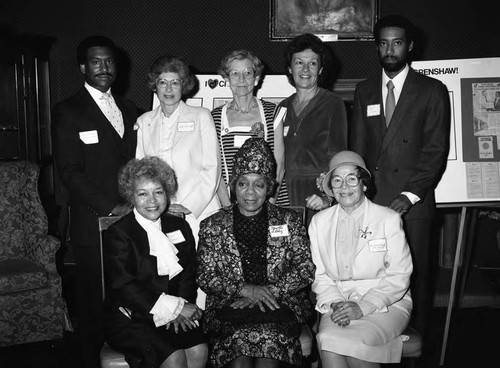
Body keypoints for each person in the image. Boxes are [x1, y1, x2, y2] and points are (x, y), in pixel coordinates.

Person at [349, 15, 450, 340]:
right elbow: (358, 149)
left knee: (415, 277)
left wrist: (409, 196)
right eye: (383, 43)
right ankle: (375, 340)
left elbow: (435, 152)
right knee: (375, 276)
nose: (389, 49)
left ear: (409, 46)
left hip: (413, 205)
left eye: (396, 42)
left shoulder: (432, 90)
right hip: (374, 203)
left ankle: (415, 349)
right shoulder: (364, 91)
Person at [52, 35, 138, 368]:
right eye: (96, 62)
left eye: (109, 61)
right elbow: (69, 171)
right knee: (93, 299)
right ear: (83, 67)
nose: (104, 67)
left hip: (133, 220)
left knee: (128, 291)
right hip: (93, 221)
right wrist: (110, 206)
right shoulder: (68, 110)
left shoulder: (130, 109)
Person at [196, 138, 315, 368]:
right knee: (238, 359)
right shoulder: (213, 224)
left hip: (280, 304)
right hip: (228, 306)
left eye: (258, 184)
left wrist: (267, 292)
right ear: (233, 185)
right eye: (243, 184)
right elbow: (205, 275)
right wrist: (245, 290)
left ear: (268, 187)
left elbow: (305, 269)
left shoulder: (289, 220)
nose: (250, 192)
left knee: (268, 359)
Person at [309, 150, 413, 368]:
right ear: (331, 188)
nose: (344, 187)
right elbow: (319, 274)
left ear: (363, 184)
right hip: (337, 300)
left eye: (351, 179)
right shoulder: (319, 222)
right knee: (329, 340)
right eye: (337, 181)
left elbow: (400, 275)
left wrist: (363, 306)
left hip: (387, 301)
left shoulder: (388, 219)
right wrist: (337, 303)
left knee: (349, 345)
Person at [102, 156, 207, 368]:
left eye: (158, 192)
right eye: (143, 194)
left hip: (174, 311)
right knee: (173, 356)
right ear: (131, 197)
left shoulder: (179, 226)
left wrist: (182, 306)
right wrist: (173, 308)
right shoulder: (119, 233)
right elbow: (124, 286)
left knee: (198, 350)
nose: (152, 201)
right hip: (132, 316)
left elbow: (188, 275)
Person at [135, 55, 221, 246]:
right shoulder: (144, 121)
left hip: (199, 211)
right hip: (158, 211)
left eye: (174, 82)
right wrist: (154, 206)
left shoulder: (201, 116)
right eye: (162, 82)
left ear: (183, 85)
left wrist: (187, 206)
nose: (168, 89)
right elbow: (140, 173)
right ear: (154, 85)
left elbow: (212, 168)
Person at [278, 33, 348, 223]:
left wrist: (327, 196)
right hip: (283, 196)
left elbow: (338, 157)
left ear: (321, 69)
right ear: (290, 68)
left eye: (313, 63)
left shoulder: (333, 103)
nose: (305, 69)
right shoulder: (281, 108)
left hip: (316, 195)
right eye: (299, 62)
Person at [211, 49, 290, 207]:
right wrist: (228, 207)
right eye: (234, 73)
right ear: (226, 78)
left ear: (256, 78)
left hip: (269, 201)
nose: (241, 79)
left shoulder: (272, 113)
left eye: (247, 73)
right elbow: (216, 168)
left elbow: (279, 166)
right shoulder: (214, 118)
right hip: (231, 202)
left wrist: (269, 205)